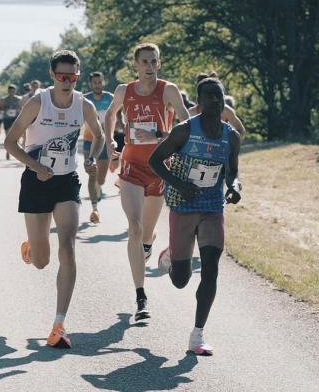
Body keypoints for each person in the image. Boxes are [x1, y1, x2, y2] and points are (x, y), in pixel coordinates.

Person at [4, 50, 104, 348]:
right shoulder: (39, 102)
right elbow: (10, 142)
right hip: (36, 182)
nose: (67, 81)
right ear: (52, 75)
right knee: (42, 262)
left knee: (68, 246)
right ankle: (32, 247)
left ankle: (59, 325)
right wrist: (35, 166)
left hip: (67, 182)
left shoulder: (83, 105)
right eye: (62, 76)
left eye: (72, 77)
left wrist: (91, 159)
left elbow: (98, 136)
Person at [149, 77, 241, 356]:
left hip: (213, 205)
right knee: (181, 280)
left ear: (224, 99)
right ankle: (171, 255)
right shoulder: (184, 130)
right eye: (209, 95)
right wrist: (179, 184)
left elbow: (233, 171)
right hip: (183, 203)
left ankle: (198, 335)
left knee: (211, 267)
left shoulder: (231, 136)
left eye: (219, 95)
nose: (215, 100)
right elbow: (155, 161)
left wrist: (235, 187)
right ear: (200, 102)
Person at [104, 43, 189, 321]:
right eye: (145, 62)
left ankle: (149, 245)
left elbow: (187, 123)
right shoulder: (123, 91)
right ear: (136, 66)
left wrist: (171, 140)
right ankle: (141, 296)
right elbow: (110, 115)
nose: (150, 67)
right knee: (134, 227)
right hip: (131, 166)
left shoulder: (168, 90)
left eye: (154, 62)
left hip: (159, 169)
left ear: (159, 64)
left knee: (147, 234)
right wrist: (109, 146)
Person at [83, 72, 114, 223]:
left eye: (99, 82)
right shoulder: (85, 99)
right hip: (90, 141)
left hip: (106, 141)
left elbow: (117, 116)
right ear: (90, 84)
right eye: (94, 82)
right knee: (92, 173)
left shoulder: (110, 98)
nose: (97, 85)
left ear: (104, 82)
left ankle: (99, 187)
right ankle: (94, 208)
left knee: (101, 178)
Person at [189, 73, 245, 138]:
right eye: (207, 93)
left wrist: (229, 144)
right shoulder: (191, 112)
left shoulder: (225, 110)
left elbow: (240, 130)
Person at [0, 84, 22, 159]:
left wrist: (17, 109)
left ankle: (16, 153)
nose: (12, 92)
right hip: (7, 119)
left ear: (15, 91)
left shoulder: (19, 99)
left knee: (16, 137)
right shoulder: (4, 99)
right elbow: (0, 108)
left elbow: (22, 108)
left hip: (15, 119)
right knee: (7, 136)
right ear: (8, 91)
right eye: (10, 91)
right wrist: (6, 107)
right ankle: (8, 152)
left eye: (13, 91)